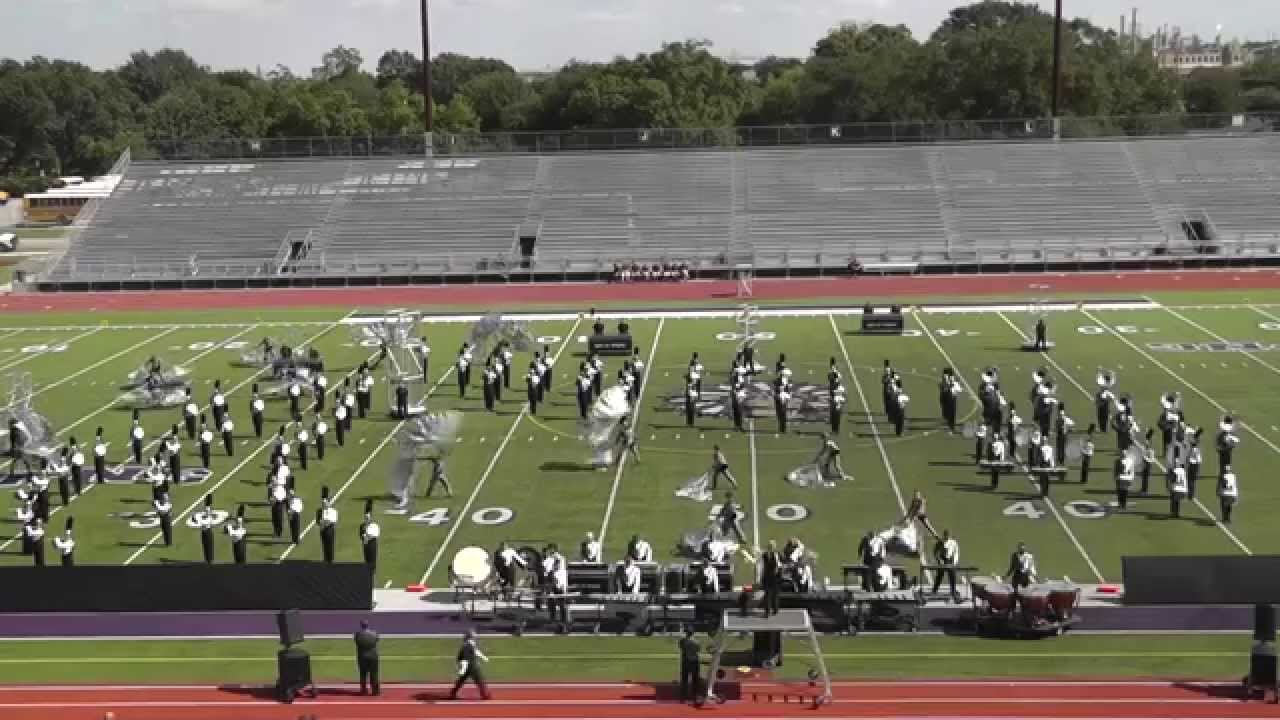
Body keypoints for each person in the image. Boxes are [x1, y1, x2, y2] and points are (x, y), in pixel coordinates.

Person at [450, 630, 491, 700]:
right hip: (472, 666)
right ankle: (484, 695)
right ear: (470, 637)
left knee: (461, 681)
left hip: (468, 666)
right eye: (473, 637)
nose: (475, 638)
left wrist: (483, 657)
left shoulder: (468, 644)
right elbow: (466, 656)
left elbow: (473, 652)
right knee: (479, 680)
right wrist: (464, 666)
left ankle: (453, 693)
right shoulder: (468, 645)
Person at [931, 530, 961, 603]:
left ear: (949, 536)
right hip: (942, 559)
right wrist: (939, 560)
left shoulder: (953, 542)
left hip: (950, 560)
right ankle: (934, 590)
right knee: (939, 576)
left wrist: (954, 562)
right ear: (943, 535)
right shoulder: (939, 542)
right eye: (945, 536)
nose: (946, 537)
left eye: (947, 536)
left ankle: (953, 591)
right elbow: (935, 552)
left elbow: (956, 552)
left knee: (952, 575)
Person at [354, 620, 380, 696]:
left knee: (363, 674)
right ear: (368, 625)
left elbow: (357, 642)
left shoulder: (358, 634)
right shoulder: (374, 633)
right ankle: (375, 691)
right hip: (373, 656)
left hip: (362, 657)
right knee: (374, 674)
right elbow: (377, 640)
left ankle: (363, 690)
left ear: (361, 625)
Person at [760, 540, 783, 617]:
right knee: (771, 594)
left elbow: (778, 566)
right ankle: (771, 611)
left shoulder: (769, 554)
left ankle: (771, 611)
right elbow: (778, 565)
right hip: (771, 577)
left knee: (771, 595)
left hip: (771, 577)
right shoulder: (768, 554)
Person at [678, 629, 702, 703]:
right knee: (695, 680)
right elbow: (698, 650)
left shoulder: (683, 641)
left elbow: (680, 647)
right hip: (694, 661)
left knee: (684, 680)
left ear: (687, 633)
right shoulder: (696, 642)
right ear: (693, 633)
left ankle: (683, 697)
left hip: (686, 661)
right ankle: (695, 697)